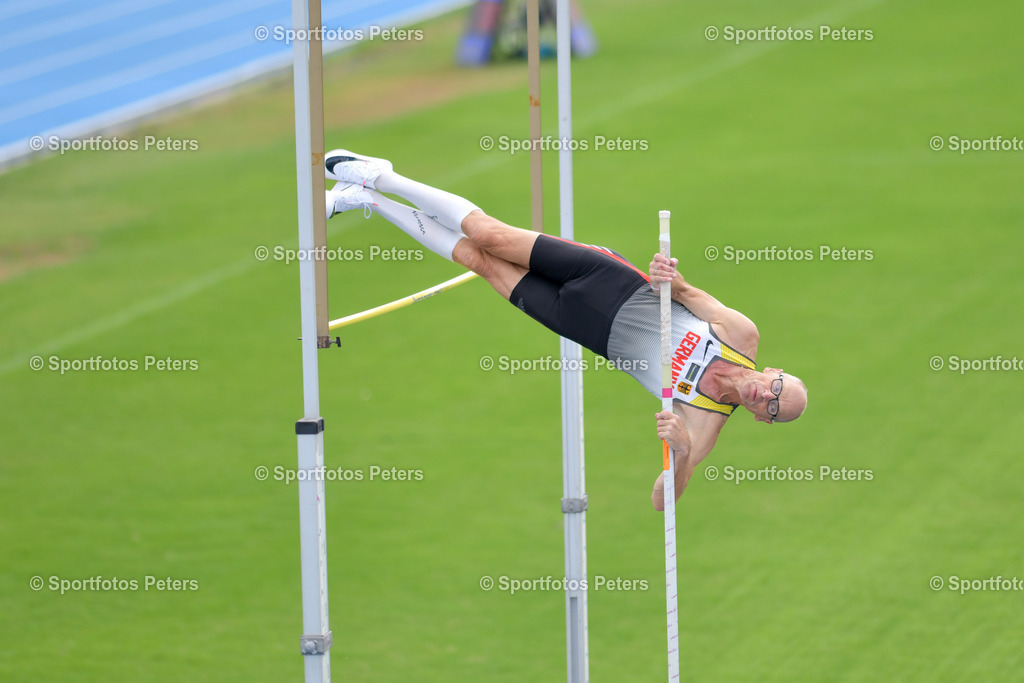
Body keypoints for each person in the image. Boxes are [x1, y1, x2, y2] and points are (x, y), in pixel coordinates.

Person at [323, 150, 808, 509]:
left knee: (480, 263)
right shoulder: (742, 337)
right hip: (608, 281)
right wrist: (670, 276)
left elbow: (664, 502)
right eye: (775, 388)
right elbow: (684, 293)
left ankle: (365, 200)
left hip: (583, 327)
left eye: (771, 407)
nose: (764, 396)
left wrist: (679, 452)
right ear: (774, 371)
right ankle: (381, 175)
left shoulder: (703, 424)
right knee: (489, 236)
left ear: (763, 420)